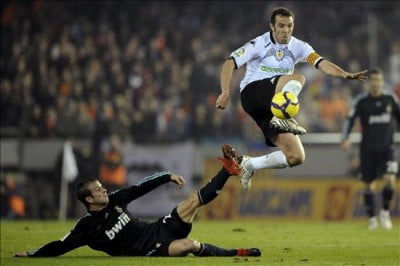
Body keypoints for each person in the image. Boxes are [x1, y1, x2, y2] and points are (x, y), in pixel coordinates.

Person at [14, 144, 261, 257]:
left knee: (190, 203)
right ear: (88, 199)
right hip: (149, 250)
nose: (103, 191)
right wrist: (32, 255)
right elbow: (60, 245)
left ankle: (227, 170)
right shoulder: (86, 228)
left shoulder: (114, 199)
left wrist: (167, 176)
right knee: (190, 246)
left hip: (158, 229)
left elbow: (140, 186)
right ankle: (235, 253)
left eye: (101, 187)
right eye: (98, 190)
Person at [216, 6, 368, 190]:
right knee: (299, 78)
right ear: (272, 26)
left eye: (289, 26)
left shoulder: (299, 46)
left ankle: (250, 164)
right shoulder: (258, 43)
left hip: (271, 106)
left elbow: (321, 64)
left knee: (296, 156)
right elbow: (230, 62)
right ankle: (281, 116)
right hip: (252, 94)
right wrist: (225, 92)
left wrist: (345, 74)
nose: (285, 30)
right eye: (281, 25)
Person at [341, 69, 400, 230]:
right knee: (369, 185)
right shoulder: (361, 102)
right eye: (373, 80)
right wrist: (345, 138)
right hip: (367, 149)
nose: (376, 83)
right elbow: (350, 119)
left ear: (382, 82)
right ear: (368, 82)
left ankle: (385, 213)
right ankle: (372, 217)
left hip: (387, 148)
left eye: (378, 80)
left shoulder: (390, 99)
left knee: (390, 179)